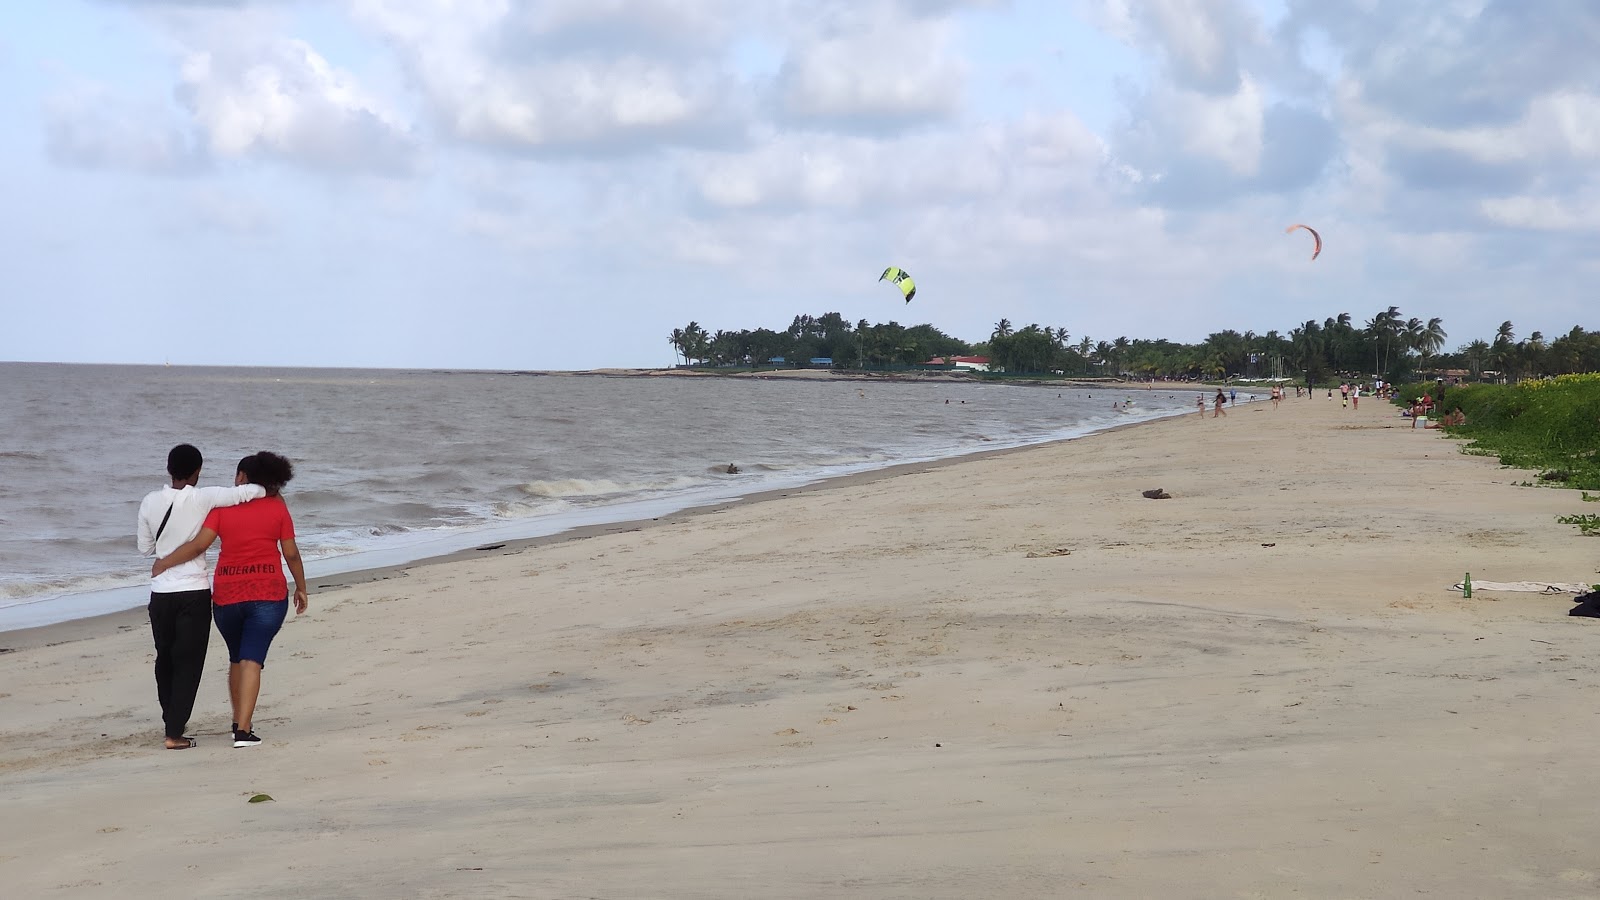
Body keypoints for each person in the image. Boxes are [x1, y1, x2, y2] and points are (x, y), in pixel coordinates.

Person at [154, 452, 307, 748]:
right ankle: (243, 731)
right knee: (252, 658)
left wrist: (164, 562)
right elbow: (290, 552)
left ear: (242, 477)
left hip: (227, 597)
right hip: (267, 596)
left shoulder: (222, 508)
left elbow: (199, 544)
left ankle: (239, 721)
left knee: (237, 657)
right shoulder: (278, 507)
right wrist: (301, 587)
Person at [137, 445, 265, 750]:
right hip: (193, 591)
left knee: (165, 658)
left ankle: (171, 721)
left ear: (169, 469)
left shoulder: (149, 501)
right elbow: (254, 491)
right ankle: (174, 732)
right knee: (188, 662)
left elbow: (144, 548)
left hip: (160, 593)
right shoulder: (203, 497)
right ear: (197, 472)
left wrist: (166, 551)